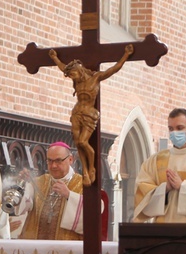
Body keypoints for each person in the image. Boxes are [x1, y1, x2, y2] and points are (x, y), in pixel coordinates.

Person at [49, 44, 134, 186]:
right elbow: (64, 67)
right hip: (77, 112)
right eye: (70, 76)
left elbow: (113, 69)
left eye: (73, 74)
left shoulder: (95, 78)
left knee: (83, 141)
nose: (72, 77)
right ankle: (85, 172)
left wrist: (125, 55)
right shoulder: (76, 79)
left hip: (89, 113)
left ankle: (91, 168)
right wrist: (54, 57)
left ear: (80, 70)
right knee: (77, 142)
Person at [13, 142, 84, 240]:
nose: (53, 165)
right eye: (50, 161)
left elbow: (93, 216)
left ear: (70, 159)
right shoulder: (38, 182)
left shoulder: (84, 184)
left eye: (58, 160)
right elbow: (22, 207)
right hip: (35, 249)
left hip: (67, 249)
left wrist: (69, 195)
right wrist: (22, 185)